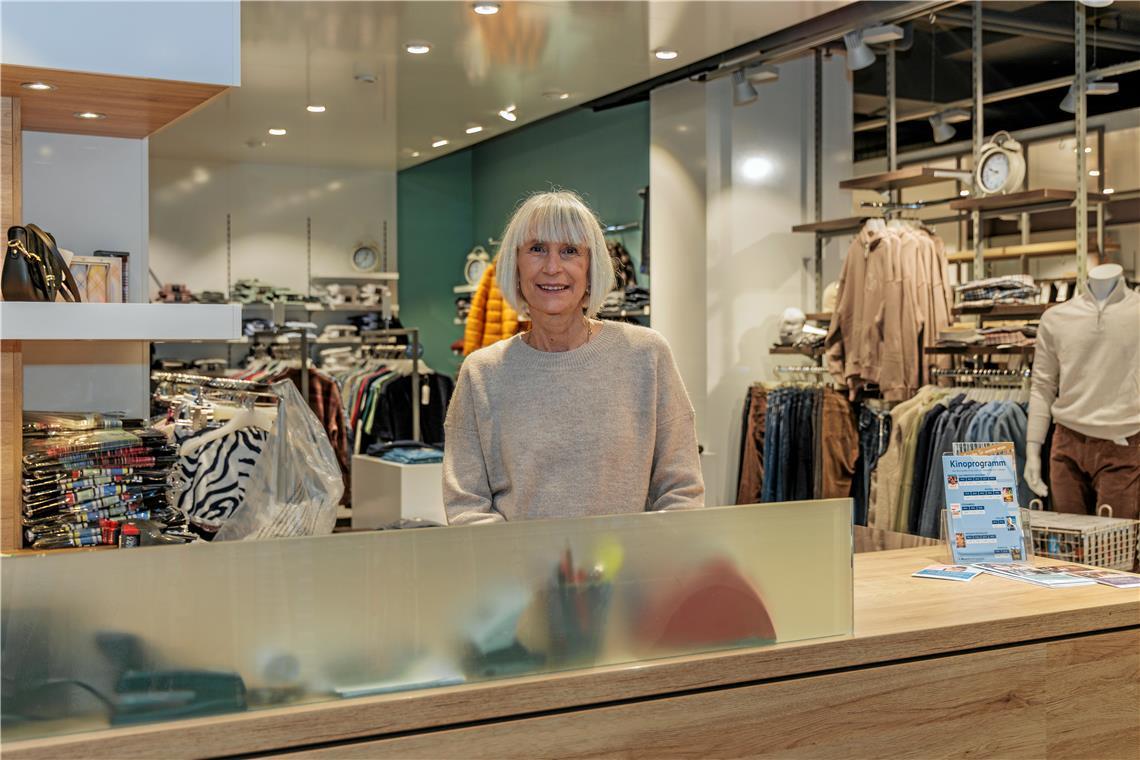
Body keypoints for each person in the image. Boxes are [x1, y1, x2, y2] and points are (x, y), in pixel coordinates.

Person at [443, 190, 705, 524]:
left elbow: (681, 490)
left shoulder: (646, 355)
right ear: (515, 264)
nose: (553, 267)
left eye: (570, 251)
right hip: (517, 574)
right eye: (537, 249)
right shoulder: (482, 373)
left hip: (631, 574)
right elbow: (466, 503)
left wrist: (647, 563)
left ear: (591, 267)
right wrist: (517, 569)